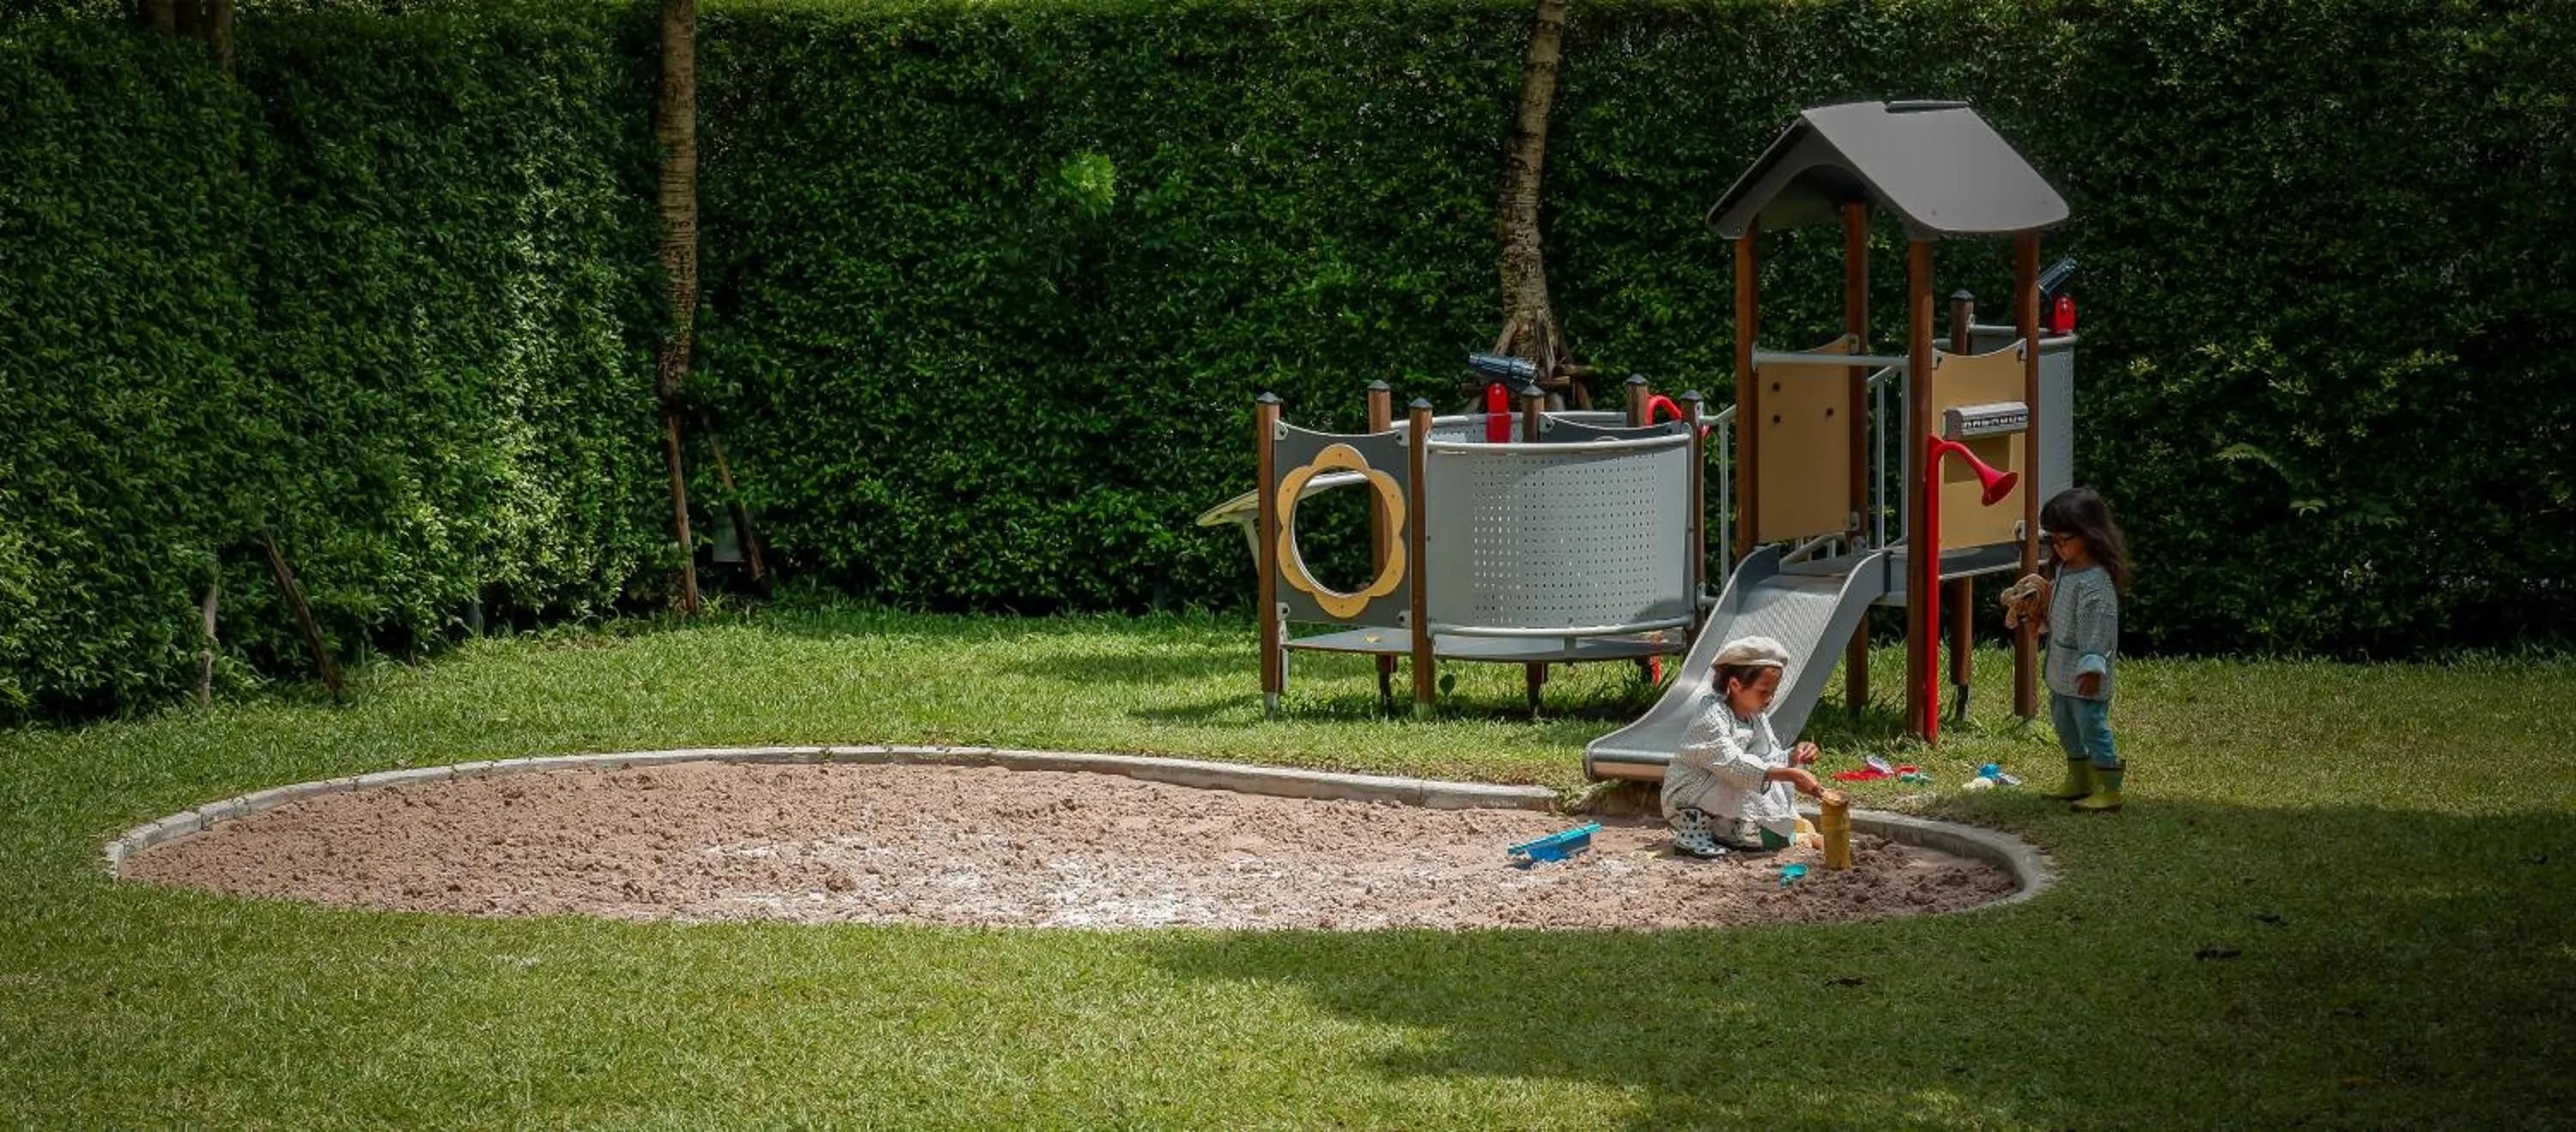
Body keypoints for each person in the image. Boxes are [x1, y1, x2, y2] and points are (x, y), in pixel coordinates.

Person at [1662, 635, 1840, 857]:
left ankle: (1728, 830)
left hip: (1724, 785)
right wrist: (1791, 774)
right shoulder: (1711, 716)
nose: (1769, 699)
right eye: (1763, 691)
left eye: (1773, 692)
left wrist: (1795, 757)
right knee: (1747, 774)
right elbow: (1731, 764)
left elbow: (1768, 756)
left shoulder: (1755, 717)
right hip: (1687, 795)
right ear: (1735, 685)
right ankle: (1692, 834)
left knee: (1764, 774)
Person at [2037, 487, 2131, 812]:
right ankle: (2079, 778)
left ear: (2090, 535)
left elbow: (2098, 631)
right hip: (2061, 670)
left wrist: (2092, 669)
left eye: (2064, 540)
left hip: (2084, 674)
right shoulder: (2065, 569)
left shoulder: (2095, 583)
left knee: (2092, 725)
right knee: (2064, 723)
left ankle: (2109, 787)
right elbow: (2058, 611)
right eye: (2053, 541)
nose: (2058, 548)